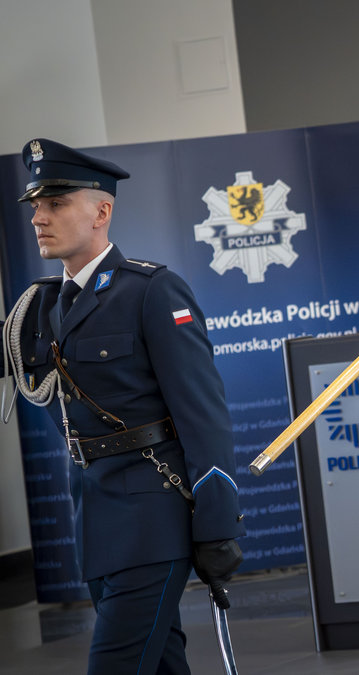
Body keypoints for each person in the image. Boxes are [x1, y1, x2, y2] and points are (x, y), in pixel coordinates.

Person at [3, 139, 244, 674]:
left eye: (56, 203)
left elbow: (203, 415)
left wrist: (218, 523)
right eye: (36, 206)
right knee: (159, 664)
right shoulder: (41, 307)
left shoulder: (152, 291)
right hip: (96, 518)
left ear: (101, 212)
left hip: (152, 520)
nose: (39, 217)